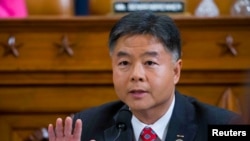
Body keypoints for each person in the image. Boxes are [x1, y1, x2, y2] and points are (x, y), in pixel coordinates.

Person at [48, 11, 244, 141]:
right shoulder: (84, 128)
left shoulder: (225, 127)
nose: (136, 75)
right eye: (124, 63)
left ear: (176, 71)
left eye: (150, 63)